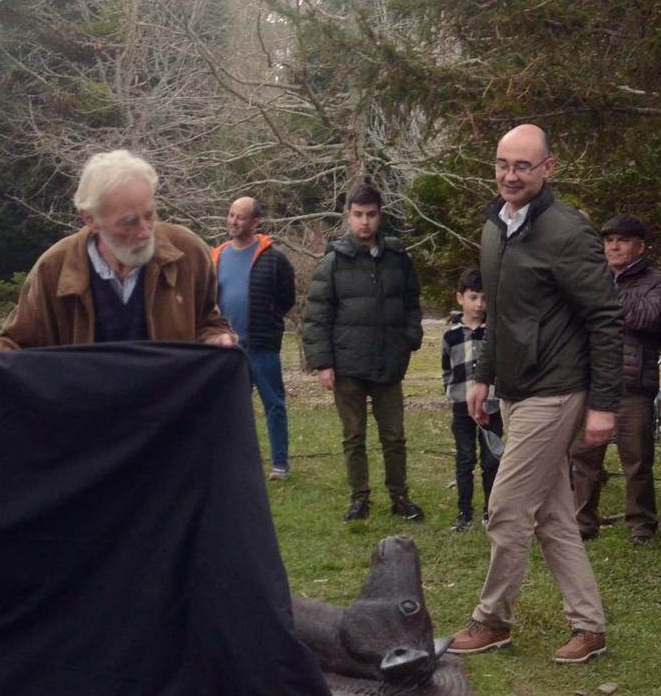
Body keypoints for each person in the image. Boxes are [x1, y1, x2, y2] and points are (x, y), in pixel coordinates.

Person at [447, 125, 622, 664]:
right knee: (552, 516)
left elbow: (605, 319)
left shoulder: (568, 232)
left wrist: (603, 406)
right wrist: (482, 376)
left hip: (558, 387)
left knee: (505, 508)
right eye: (502, 163)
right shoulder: (495, 226)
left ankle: (492, 620)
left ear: (550, 168)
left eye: (523, 165)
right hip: (515, 386)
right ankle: (589, 626)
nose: (510, 175)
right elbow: (499, 313)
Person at [0, 150, 236, 351]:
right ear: (90, 219)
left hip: (170, 419)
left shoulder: (188, 253)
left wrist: (217, 338)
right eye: (128, 222)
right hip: (89, 419)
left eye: (149, 214)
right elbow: (20, 344)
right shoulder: (53, 270)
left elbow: (208, 321)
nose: (145, 231)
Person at [302, 184, 425, 521]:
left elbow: (412, 302)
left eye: (371, 214)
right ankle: (359, 499)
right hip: (348, 364)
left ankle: (400, 497)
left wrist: (410, 337)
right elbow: (316, 315)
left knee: (394, 436)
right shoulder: (333, 262)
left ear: (379, 215)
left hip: (388, 363)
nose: (365, 222)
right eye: (358, 215)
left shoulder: (398, 258)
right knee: (354, 436)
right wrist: (322, 363)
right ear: (348, 216)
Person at [571, 213, 661, 545]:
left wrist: (604, 294)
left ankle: (642, 526)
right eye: (609, 240)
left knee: (637, 460)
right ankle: (582, 523)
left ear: (639, 247)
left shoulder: (657, 281)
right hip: (591, 380)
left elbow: (650, 317)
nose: (614, 246)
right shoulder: (590, 276)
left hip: (633, 384)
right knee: (583, 457)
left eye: (622, 240)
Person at [210, 196, 297, 478]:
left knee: (274, 403)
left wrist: (268, 322)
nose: (233, 221)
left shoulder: (274, 257)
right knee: (230, 407)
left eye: (240, 217)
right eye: (231, 214)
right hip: (228, 348)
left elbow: (286, 298)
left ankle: (279, 464)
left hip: (261, 345)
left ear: (255, 222)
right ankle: (234, 461)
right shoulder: (217, 256)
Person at [442, 270, 501, 531]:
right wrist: (453, 392)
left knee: (492, 460)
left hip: (492, 407)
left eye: (484, 299)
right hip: (462, 409)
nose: (479, 304)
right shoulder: (451, 335)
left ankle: (491, 511)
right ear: (460, 298)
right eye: (473, 297)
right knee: (465, 459)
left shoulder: (495, 333)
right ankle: (464, 513)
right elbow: (447, 368)